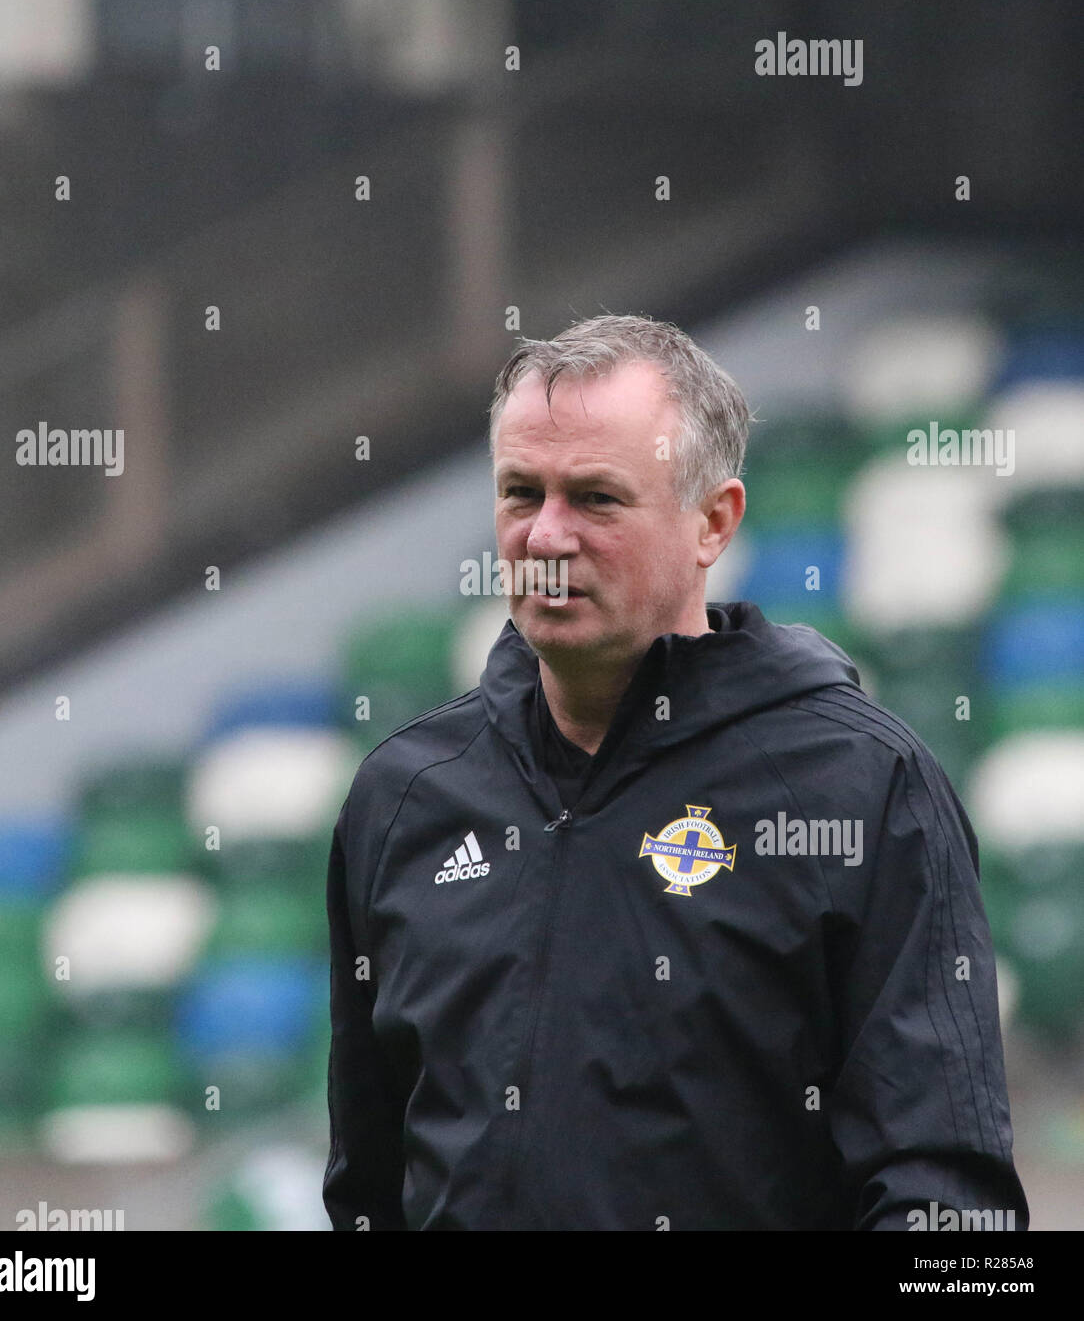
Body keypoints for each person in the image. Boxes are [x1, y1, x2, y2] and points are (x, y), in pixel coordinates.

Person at [322, 314, 1028, 1231]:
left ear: (712, 522)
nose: (546, 537)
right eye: (520, 493)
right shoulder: (404, 793)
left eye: (596, 499)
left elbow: (948, 1202)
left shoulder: (863, 788)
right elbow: (368, 1189)